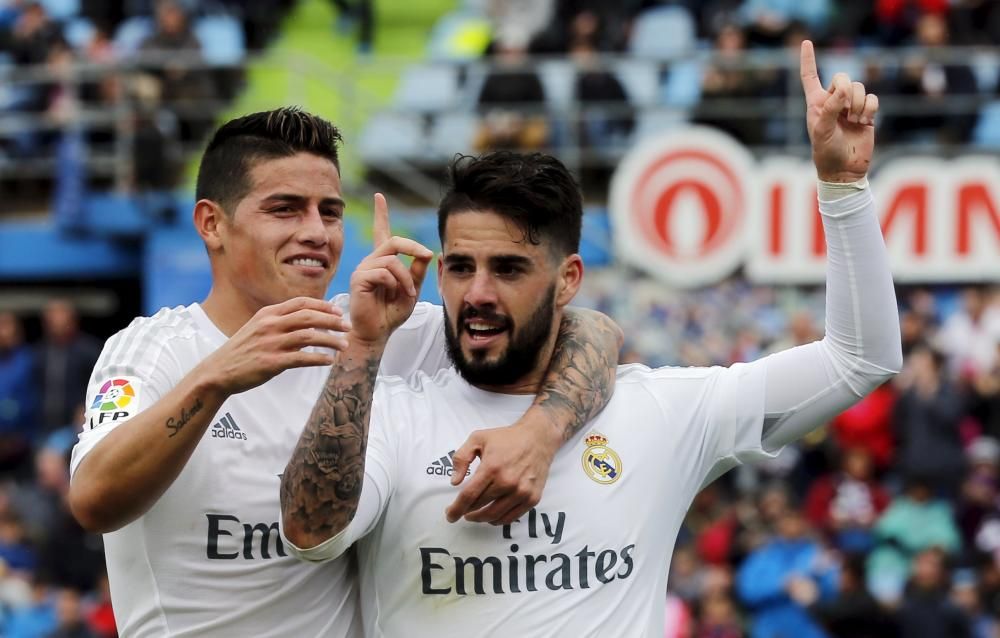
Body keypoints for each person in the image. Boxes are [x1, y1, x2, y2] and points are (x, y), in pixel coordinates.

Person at [280, 41, 902, 637]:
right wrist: (362, 348)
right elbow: (311, 535)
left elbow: (859, 360)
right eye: (462, 267)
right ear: (439, 273)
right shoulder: (391, 413)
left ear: (568, 278)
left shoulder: (659, 414)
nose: (479, 293)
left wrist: (842, 189)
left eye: (510, 268)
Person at [66, 107, 622, 636]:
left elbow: (587, 330)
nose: (317, 232)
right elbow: (93, 500)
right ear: (212, 223)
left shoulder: (371, 332)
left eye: (329, 211)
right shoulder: (156, 351)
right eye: (285, 208)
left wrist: (540, 433)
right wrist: (217, 378)